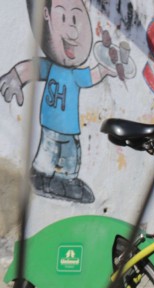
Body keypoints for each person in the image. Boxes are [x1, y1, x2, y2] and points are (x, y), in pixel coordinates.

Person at [0, 0, 120, 203]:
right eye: (64, 18)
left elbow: (91, 76)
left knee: (71, 155)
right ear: (46, 16)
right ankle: (41, 174)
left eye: (76, 19)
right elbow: (32, 68)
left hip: (70, 128)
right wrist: (15, 77)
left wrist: (105, 69)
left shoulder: (74, 74)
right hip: (50, 125)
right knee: (48, 152)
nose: (73, 30)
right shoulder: (51, 67)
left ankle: (67, 179)